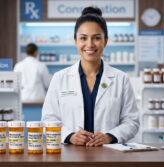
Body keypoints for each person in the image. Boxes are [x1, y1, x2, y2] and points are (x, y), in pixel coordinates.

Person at [42, 7, 139, 147]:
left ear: (105, 41)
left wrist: (110, 137)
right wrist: (70, 136)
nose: (90, 44)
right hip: (70, 155)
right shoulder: (59, 78)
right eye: (83, 38)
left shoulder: (121, 79)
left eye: (97, 38)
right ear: (75, 41)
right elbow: (48, 120)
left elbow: (132, 121)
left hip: (109, 155)